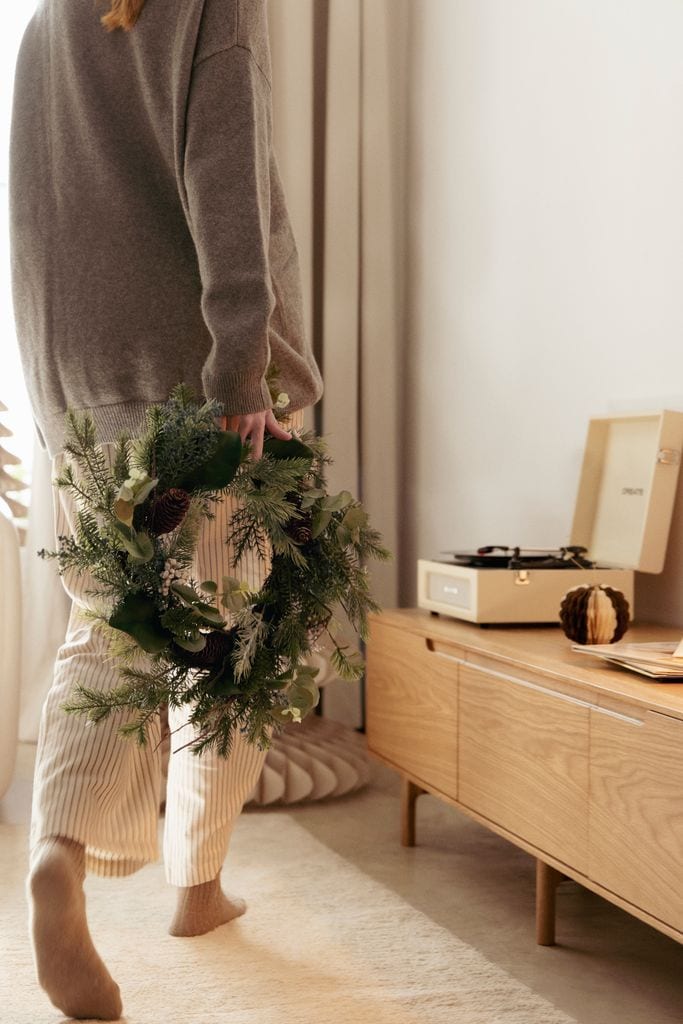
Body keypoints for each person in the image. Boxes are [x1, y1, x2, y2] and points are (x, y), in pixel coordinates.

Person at [9, 0, 323, 1019]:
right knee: (232, 641)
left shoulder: (50, 23)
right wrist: (239, 364)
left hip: (77, 384)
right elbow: (225, 179)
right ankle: (152, 874)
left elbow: (31, 229)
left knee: (111, 621)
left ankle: (115, 864)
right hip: (193, 377)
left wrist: (54, 396)